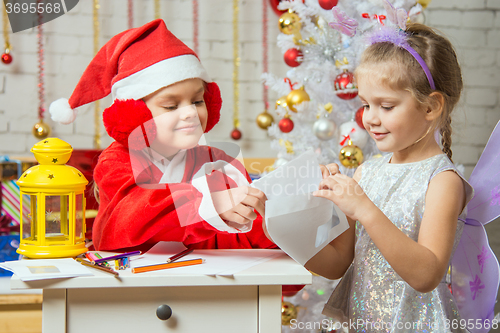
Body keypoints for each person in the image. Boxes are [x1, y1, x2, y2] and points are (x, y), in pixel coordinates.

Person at [49, 19, 274, 253]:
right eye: (171, 106)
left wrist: (272, 225)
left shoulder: (218, 162)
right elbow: (129, 218)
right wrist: (208, 203)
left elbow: (235, 240)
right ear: (136, 114)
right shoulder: (115, 163)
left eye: (197, 101)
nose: (190, 113)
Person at [307, 22, 475, 332]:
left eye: (386, 106)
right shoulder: (367, 171)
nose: (370, 118)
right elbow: (336, 264)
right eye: (366, 104)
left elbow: (427, 275)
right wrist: (283, 219)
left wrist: (365, 209)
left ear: (431, 106)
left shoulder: (442, 181)